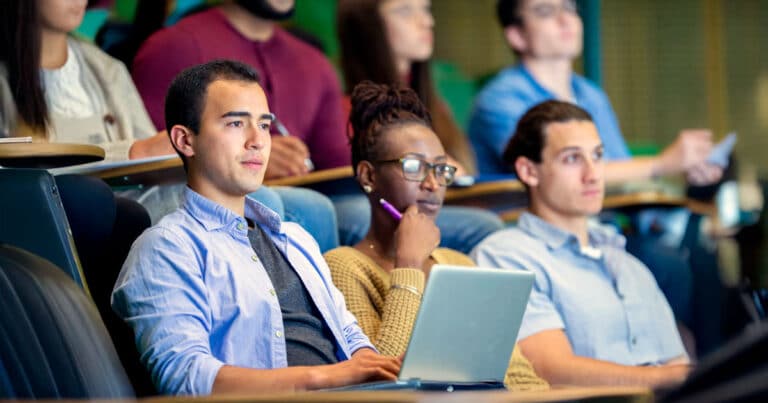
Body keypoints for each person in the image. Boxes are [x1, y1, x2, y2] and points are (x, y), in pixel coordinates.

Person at [112, 60, 401, 395]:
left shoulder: (295, 238)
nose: (258, 141)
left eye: (264, 126)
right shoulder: (167, 247)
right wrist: (323, 378)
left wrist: (376, 367)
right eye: (236, 123)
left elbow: (349, 334)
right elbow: (187, 377)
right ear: (185, 140)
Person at [468, 0, 725, 340]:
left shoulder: (589, 94)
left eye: (570, 8)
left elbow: (612, 169)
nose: (566, 20)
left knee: (705, 254)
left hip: (601, 225)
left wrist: (685, 171)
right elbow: (578, 171)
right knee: (664, 262)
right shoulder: (499, 98)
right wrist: (664, 164)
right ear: (516, 35)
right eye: (546, 12)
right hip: (543, 232)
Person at [324, 81, 548, 391]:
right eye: (414, 167)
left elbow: (519, 375)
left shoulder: (459, 265)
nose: (432, 184)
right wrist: (409, 264)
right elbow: (379, 380)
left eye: (441, 170)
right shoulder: (342, 267)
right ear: (369, 176)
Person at [471, 100, 690, 388]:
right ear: (528, 171)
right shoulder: (505, 257)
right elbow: (550, 371)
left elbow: (678, 365)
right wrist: (669, 378)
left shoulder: (630, 266)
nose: (593, 174)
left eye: (597, 156)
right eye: (572, 159)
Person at [130, 0, 344, 250]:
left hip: (304, 189)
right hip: (203, 195)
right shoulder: (174, 46)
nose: (258, 138)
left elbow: (338, 163)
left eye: (263, 127)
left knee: (359, 210)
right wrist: (244, 154)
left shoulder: (314, 61)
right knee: (310, 208)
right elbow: (151, 158)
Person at [332, 0, 504, 253]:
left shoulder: (436, 103)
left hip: (446, 206)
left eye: (426, 9)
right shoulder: (345, 105)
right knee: (483, 226)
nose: (427, 21)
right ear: (366, 25)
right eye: (405, 11)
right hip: (370, 209)